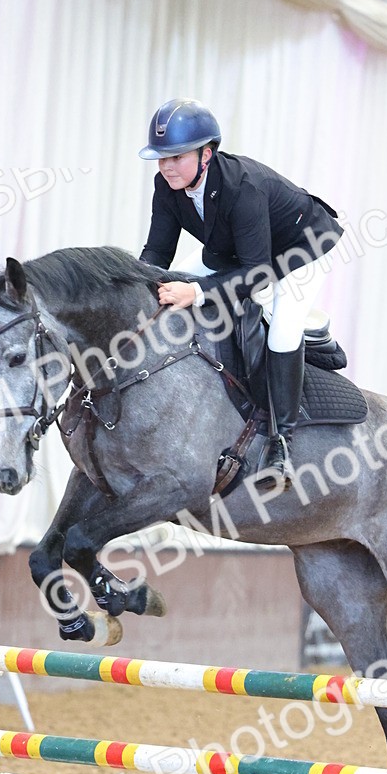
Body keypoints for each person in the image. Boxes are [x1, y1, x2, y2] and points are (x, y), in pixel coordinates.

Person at [139, 98, 344, 488]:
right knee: (173, 284)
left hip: (301, 249)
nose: (166, 166)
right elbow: (158, 253)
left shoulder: (241, 187)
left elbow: (257, 273)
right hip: (240, 251)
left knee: (283, 328)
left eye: (176, 157)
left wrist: (197, 294)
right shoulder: (166, 186)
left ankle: (282, 441)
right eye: (161, 158)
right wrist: (138, 284)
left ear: (206, 153)